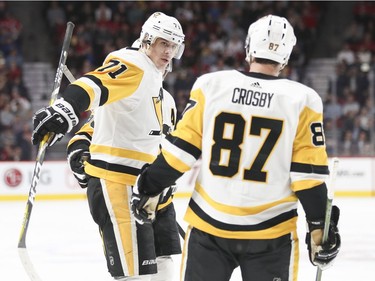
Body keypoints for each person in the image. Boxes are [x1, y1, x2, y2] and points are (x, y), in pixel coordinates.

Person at [132, 15, 341, 281]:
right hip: (271, 233)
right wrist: (320, 225)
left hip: (209, 227)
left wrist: (147, 185)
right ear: (286, 56)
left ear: (248, 48)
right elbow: (307, 178)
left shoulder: (211, 85)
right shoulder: (303, 99)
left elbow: (179, 153)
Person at [31, 12, 185, 281]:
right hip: (119, 185)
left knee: (164, 263)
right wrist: (66, 110)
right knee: (132, 275)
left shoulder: (165, 97)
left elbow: (118, 126)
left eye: (174, 45)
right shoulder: (133, 63)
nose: (169, 51)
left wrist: (167, 178)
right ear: (147, 41)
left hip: (152, 192)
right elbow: (95, 84)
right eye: (163, 43)